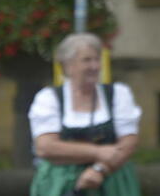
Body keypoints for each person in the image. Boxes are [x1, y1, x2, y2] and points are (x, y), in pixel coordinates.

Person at [28, 33, 142, 196]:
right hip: (59, 183)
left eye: (97, 59)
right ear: (68, 66)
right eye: (87, 60)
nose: (95, 66)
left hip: (111, 182)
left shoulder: (118, 94)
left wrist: (99, 169)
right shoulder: (49, 98)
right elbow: (45, 147)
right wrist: (98, 152)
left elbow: (128, 143)